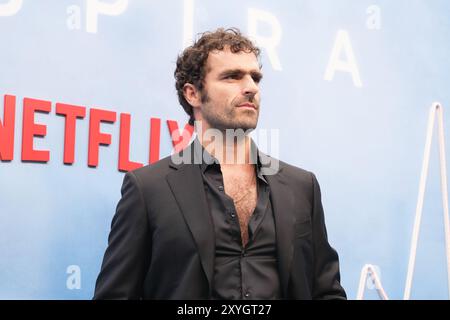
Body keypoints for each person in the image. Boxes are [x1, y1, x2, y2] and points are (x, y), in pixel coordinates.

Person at [93, 28, 346, 300]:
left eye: (255, 78)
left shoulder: (301, 187)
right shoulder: (148, 189)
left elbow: (326, 291)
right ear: (193, 94)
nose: (250, 87)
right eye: (232, 76)